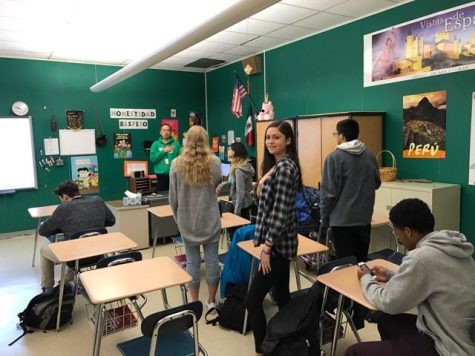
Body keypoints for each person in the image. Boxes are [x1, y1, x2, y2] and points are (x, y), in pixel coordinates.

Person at [346, 198, 475, 356]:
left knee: (354, 352)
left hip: (446, 346)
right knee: (385, 320)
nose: (398, 239)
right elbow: (433, 279)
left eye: (397, 233)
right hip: (458, 335)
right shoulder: (452, 247)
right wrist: (390, 275)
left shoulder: (421, 257)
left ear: (408, 231)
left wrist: (365, 278)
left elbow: (388, 301)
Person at [245, 121, 302, 355]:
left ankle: (263, 347)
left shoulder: (286, 168)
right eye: (268, 137)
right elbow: (265, 206)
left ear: (288, 140)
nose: (270, 141)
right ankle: (291, 338)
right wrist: (259, 188)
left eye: (276, 137)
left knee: (253, 300)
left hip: (277, 245)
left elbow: (280, 213)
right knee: (282, 297)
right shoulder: (276, 167)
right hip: (278, 242)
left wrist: (267, 248)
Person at [169, 125, 221, 310]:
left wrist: (179, 219)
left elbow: (172, 199)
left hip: (187, 220)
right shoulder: (215, 162)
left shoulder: (176, 163)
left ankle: (194, 303)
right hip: (210, 219)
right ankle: (212, 301)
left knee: (192, 262)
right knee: (212, 261)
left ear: (186, 141)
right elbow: (217, 185)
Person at [320, 118, 381, 262]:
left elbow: (328, 194)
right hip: (364, 220)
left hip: (341, 222)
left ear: (341, 135)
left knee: (345, 266)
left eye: (336, 134)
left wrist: (324, 219)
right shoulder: (370, 155)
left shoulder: (334, 157)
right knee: (361, 262)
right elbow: (377, 183)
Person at [38, 181, 115, 292]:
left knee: (44, 250)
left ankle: (48, 289)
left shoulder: (63, 208)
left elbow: (43, 231)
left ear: (64, 197)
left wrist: (62, 227)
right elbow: (111, 221)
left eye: (60, 199)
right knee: (76, 245)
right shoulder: (98, 200)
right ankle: (66, 281)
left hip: (75, 257)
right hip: (98, 254)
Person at [216, 142, 255, 219]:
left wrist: (237, 211)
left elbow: (240, 192)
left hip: (241, 205)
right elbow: (233, 182)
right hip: (246, 203)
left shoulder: (238, 170)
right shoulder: (245, 165)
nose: (228, 151)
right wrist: (221, 185)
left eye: (230, 149)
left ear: (235, 152)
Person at [150, 123, 181, 191]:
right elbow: (153, 159)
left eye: (168, 130)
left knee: (175, 195)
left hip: (174, 174)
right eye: (164, 130)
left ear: (170, 132)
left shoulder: (176, 144)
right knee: (163, 196)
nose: (166, 132)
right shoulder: (155, 144)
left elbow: (181, 159)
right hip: (161, 175)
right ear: (160, 132)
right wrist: (164, 151)